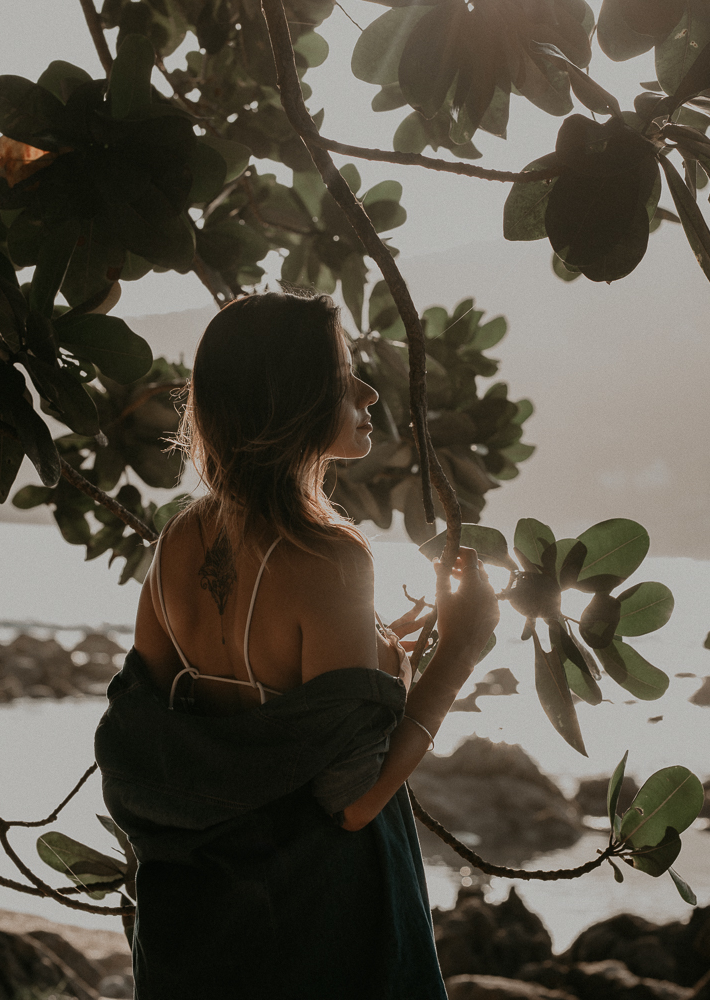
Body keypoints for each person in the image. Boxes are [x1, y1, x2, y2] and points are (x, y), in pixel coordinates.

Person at [95, 290, 499, 1000]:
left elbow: (146, 732)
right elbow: (353, 799)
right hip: (317, 922)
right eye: (344, 376)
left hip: (195, 922)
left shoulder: (178, 539)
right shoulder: (330, 557)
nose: (369, 393)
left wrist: (377, 656)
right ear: (293, 399)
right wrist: (459, 654)